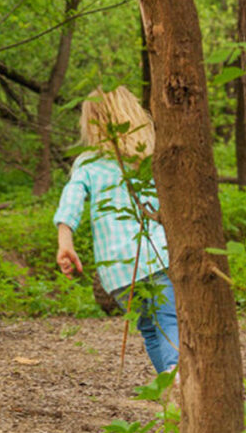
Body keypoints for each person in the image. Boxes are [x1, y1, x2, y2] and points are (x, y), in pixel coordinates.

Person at [53, 85, 179, 375]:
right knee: (169, 320)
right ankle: (177, 377)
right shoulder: (148, 158)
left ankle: (172, 389)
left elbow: (71, 200)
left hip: (117, 272)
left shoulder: (87, 163)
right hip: (157, 257)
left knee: (149, 328)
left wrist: (65, 241)